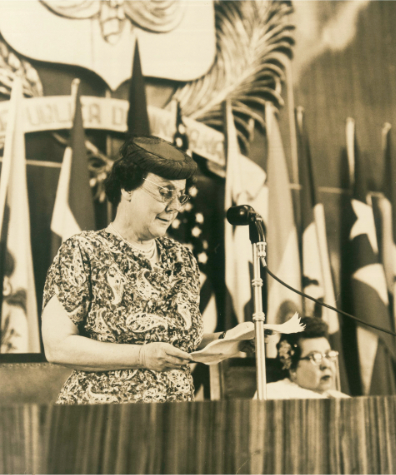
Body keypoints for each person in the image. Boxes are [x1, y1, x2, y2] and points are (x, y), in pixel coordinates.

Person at [42, 135, 251, 404]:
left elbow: (176, 344)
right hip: (100, 419)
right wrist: (142, 356)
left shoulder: (181, 259)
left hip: (174, 418)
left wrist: (230, 339)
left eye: (181, 196)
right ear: (128, 187)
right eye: (165, 192)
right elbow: (57, 346)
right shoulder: (83, 251)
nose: (175, 206)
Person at [262, 317, 349, 399]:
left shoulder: (341, 398)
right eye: (315, 357)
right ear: (292, 368)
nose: (326, 364)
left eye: (328, 355)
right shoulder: (272, 394)